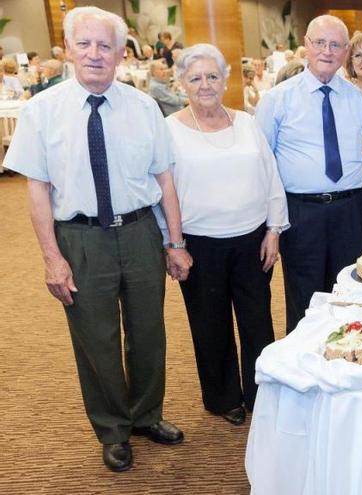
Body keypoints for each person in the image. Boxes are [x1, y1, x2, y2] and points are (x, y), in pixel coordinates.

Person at [3, 6, 191, 472]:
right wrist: (52, 258)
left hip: (141, 233)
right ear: (68, 49)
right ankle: (113, 428)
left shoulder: (144, 106)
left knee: (149, 333)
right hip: (80, 239)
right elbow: (38, 192)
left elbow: (165, 181)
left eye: (105, 45)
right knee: (96, 340)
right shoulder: (42, 111)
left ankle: (147, 415)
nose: (94, 54)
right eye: (84, 44)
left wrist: (176, 241)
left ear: (120, 53)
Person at [165, 44, 287, 426]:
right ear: (182, 82)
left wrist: (274, 229)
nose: (205, 85)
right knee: (210, 323)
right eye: (196, 78)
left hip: (252, 240)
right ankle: (223, 397)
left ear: (225, 80)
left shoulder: (247, 123)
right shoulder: (169, 130)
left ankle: (260, 390)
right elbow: (161, 192)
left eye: (212, 76)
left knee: (257, 320)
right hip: (199, 245)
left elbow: (271, 177)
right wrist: (173, 245)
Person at [255, 15, 362, 333]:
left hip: (351, 210)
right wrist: (272, 223)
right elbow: (263, 164)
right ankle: (305, 374)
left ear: (346, 51)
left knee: (351, 294)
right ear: (306, 46)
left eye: (336, 44)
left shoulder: (359, 100)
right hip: (301, 213)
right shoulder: (277, 99)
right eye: (320, 43)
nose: (327, 51)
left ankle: (349, 369)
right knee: (304, 299)